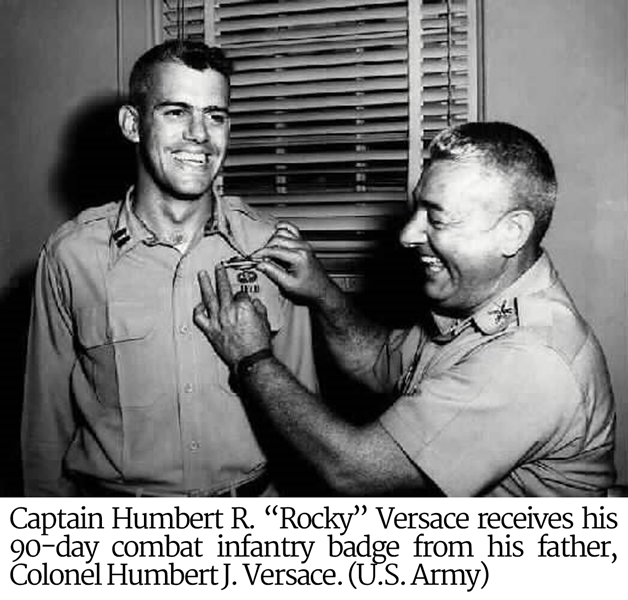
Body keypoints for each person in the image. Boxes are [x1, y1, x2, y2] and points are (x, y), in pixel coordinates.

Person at [193, 121, 616, 497]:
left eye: (438, 219)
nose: (408, 234)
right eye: (418, 209)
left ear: (512, 232)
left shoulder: (531, 360)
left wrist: (252, 358)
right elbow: (377, 361)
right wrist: (322, 292)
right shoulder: (476, 307)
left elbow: (355, 471)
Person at [21, 40, 318, 497]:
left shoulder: (270, 247)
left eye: (215, 116)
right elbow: (45, 428)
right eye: (176, 112)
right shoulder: (72, 255)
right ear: (132, 124)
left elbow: (306, 417)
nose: (199, 134)